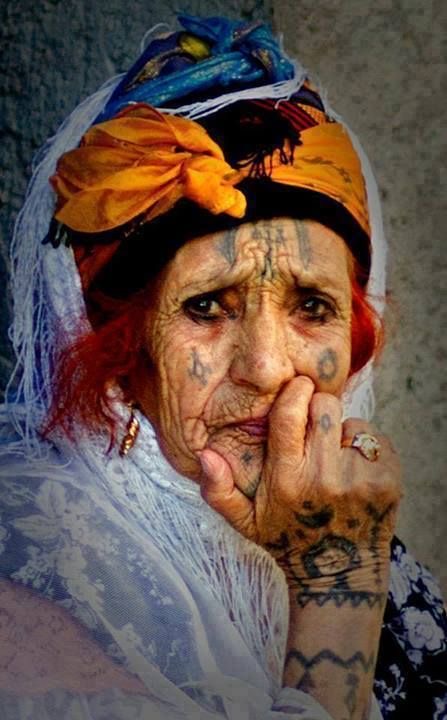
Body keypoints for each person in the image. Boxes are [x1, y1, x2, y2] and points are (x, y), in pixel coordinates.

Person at [0, 13, 445, 720]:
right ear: (114, 343)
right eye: (207, 307)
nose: (267, 368)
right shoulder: (33, 567)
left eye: (312, 306)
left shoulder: (357, 541)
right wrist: (336, 592)